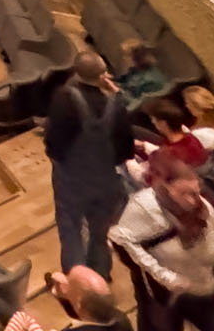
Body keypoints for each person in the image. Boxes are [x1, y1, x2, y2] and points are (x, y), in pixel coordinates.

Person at [111, 150, 214, 330]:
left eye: (196, 192)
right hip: (165, 296)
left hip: (203, 288)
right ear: (167, 189)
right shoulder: (145, 209)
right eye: (184, 193)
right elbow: (119, 236)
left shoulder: (205, 211)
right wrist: (164, 276)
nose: (193, 201)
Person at [44, 51, 132, 277]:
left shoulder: (63, 98)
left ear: (76, 72)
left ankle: (77, 283)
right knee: (99, 233)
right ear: (103, 76)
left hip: (71, 179)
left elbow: (53, 142)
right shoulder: (116, 105)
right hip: (106, 181)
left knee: (70, 229)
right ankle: (100, 278)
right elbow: (125, 150)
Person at [118, 40, 169, 107]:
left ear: (134, 58)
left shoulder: (151, 81)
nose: (124, 59)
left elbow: (138, 105)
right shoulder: (135, 71)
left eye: (126, 56)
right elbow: (124, 84)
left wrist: (118, 92)